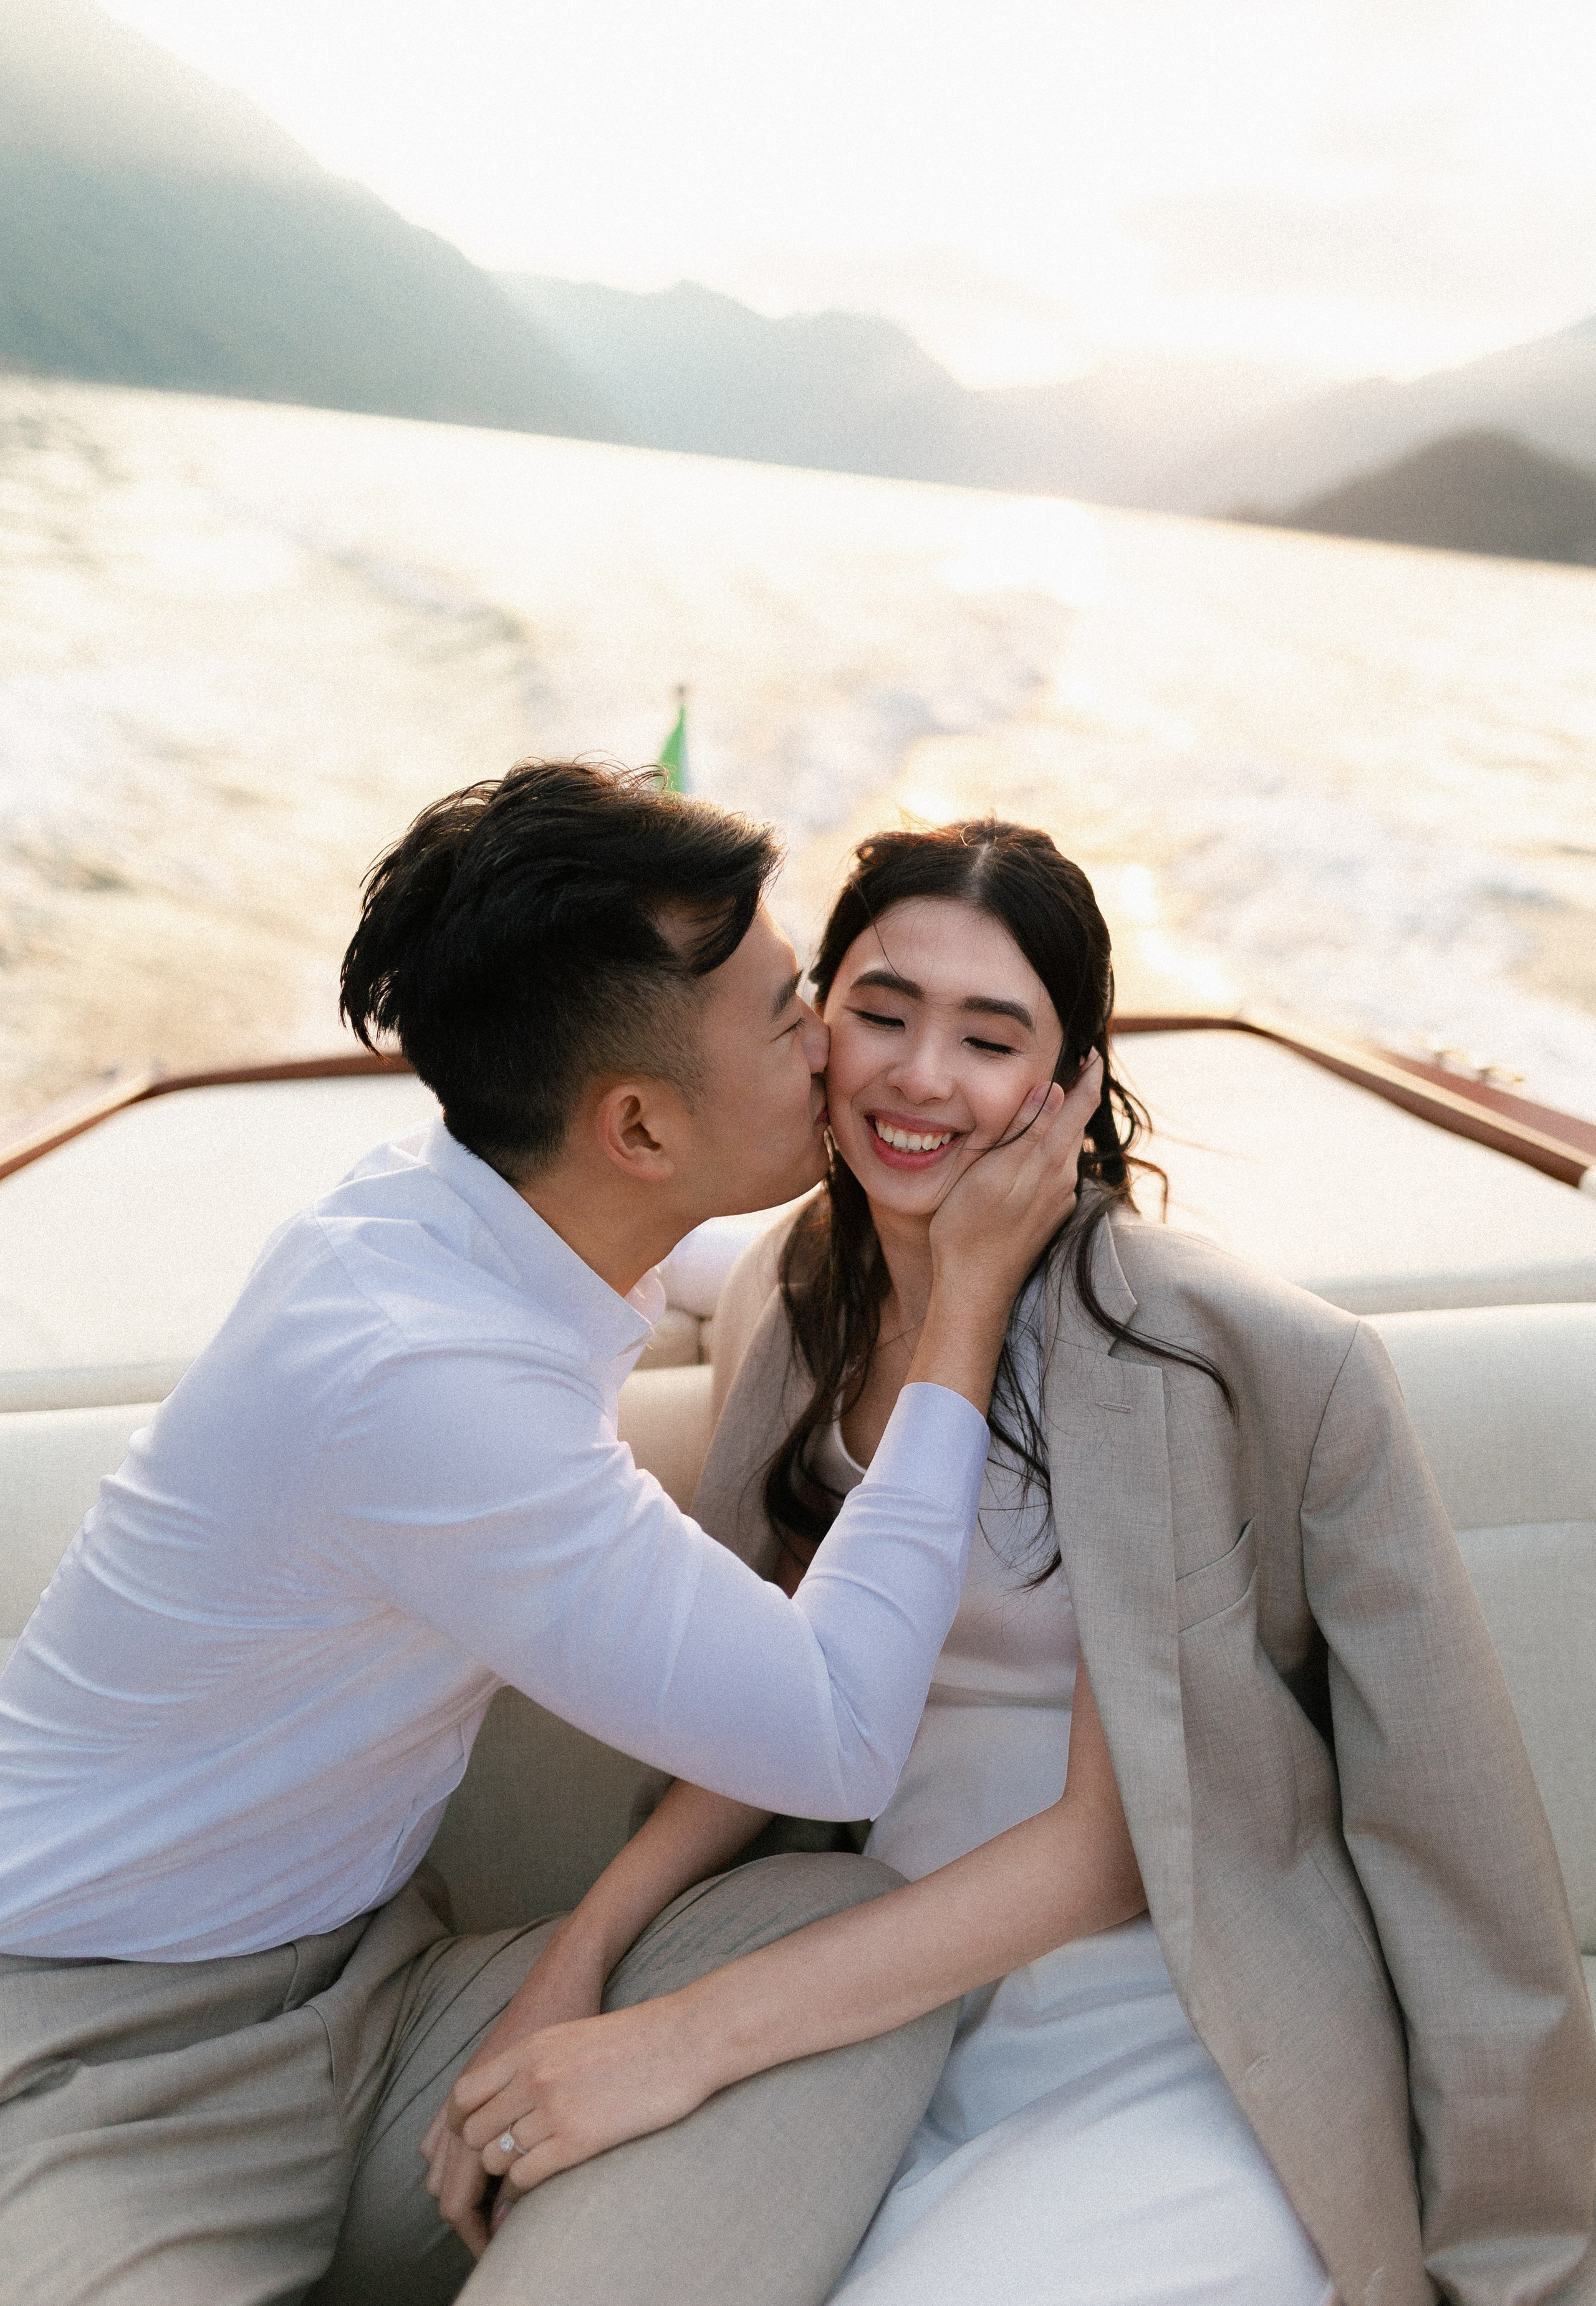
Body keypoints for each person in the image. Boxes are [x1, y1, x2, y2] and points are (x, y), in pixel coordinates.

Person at [442, 818, 1596, 2306]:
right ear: (810, 1032)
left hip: (1162, 2029)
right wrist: (582, 1955)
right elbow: (779, 1697)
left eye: (989, 1038)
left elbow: (1120, 1846)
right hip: (873, 1998)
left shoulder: (1181, 1354)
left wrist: (681, 2038)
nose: (921, 1077)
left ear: (1068, 1084)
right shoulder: (798, 1300)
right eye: (880, 1012)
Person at [0, 766, 1102, 2306]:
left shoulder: (487, 1218)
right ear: (639, 1123)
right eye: (798, 1016)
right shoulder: (415, 1378)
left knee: (829, 1928)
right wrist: (966, 1310)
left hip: (379, 1993)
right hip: (85, 2055)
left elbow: (721, 1254)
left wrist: (920, 1242)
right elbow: (840, 1735)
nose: (841, 1059)